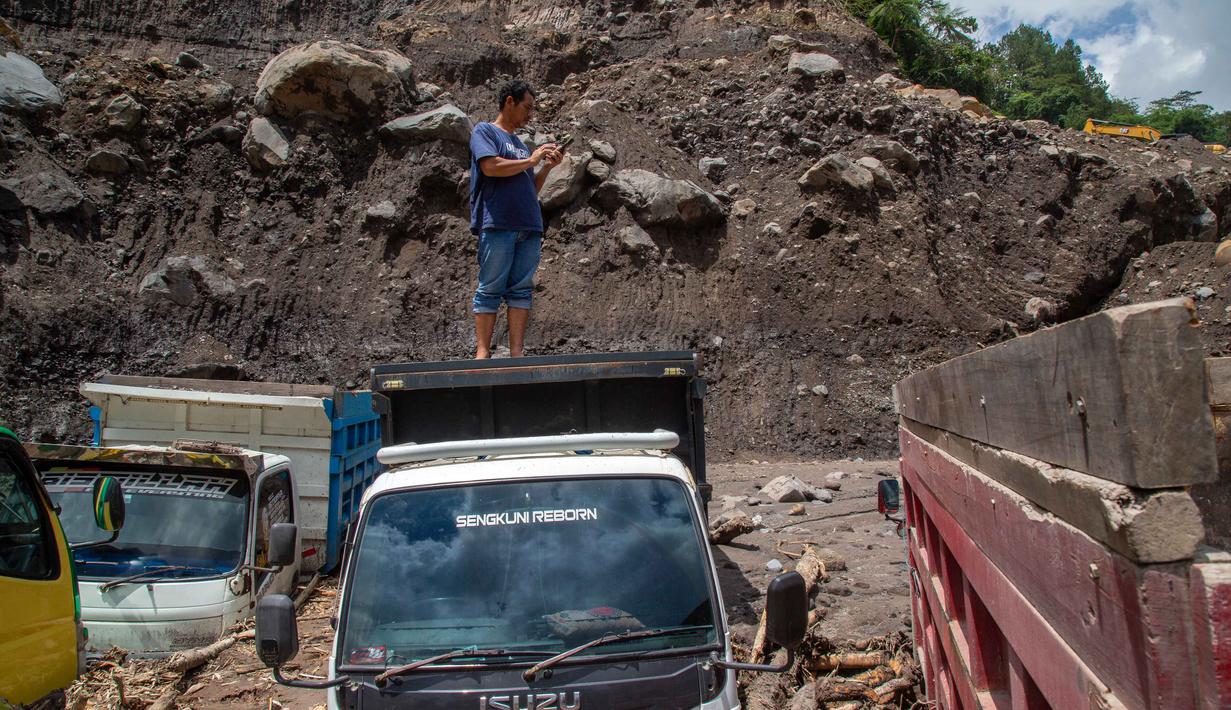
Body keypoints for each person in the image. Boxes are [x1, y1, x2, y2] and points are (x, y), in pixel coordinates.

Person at [468, 80, 564, 359]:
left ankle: (517, 354)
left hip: (528, 226)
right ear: (509, 101)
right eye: (527, 107)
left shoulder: (520, 145)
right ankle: (482, 353)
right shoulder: (485, 132)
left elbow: (528, 188)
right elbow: (491, 167)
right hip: (498, 223)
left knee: (521, 290)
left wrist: (545, 168)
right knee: (491, 287)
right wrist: (532, 160)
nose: (530, 114)